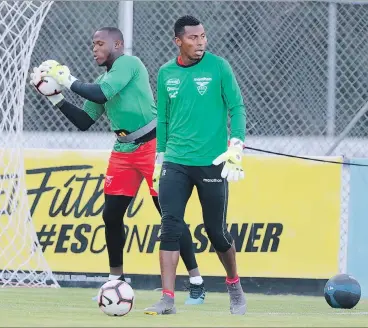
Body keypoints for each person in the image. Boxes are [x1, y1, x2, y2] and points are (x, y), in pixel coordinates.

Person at [29, 26, 207, 305]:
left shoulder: (129, 63)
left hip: (154, 147)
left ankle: (196, 281)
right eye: (93, 44)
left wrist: (67, 79)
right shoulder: (102, 79)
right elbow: (85, 122)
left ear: (118, 45)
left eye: (100, 43)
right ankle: (116, 281)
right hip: (123, 150)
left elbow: (102, 93)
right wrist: (56, 98)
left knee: (168, 215)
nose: (95, 49)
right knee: (111, 216)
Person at [143, 15, 247, 316]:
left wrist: (236, 143)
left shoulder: (219, 67)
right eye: (193, 38)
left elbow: (237, 107)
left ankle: (233, 284)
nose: (200, 42)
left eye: (203, 36)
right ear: (179, 41)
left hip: (212, 162)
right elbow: (162, 118)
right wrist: (159, 157)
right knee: (170, 226)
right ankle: (167, 299)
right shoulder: (165, 73)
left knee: (216, 232)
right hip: (175, 161)